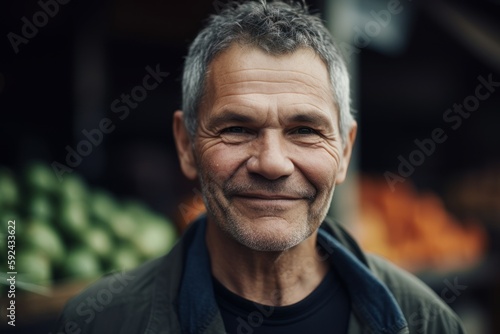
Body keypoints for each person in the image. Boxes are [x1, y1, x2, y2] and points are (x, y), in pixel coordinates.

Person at [54, 1, 466, 333]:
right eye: (236, 128)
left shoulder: (426, 322)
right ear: (186, 145)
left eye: (304, 130)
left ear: (344, 152)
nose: (271, 163)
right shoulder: (99, 320)